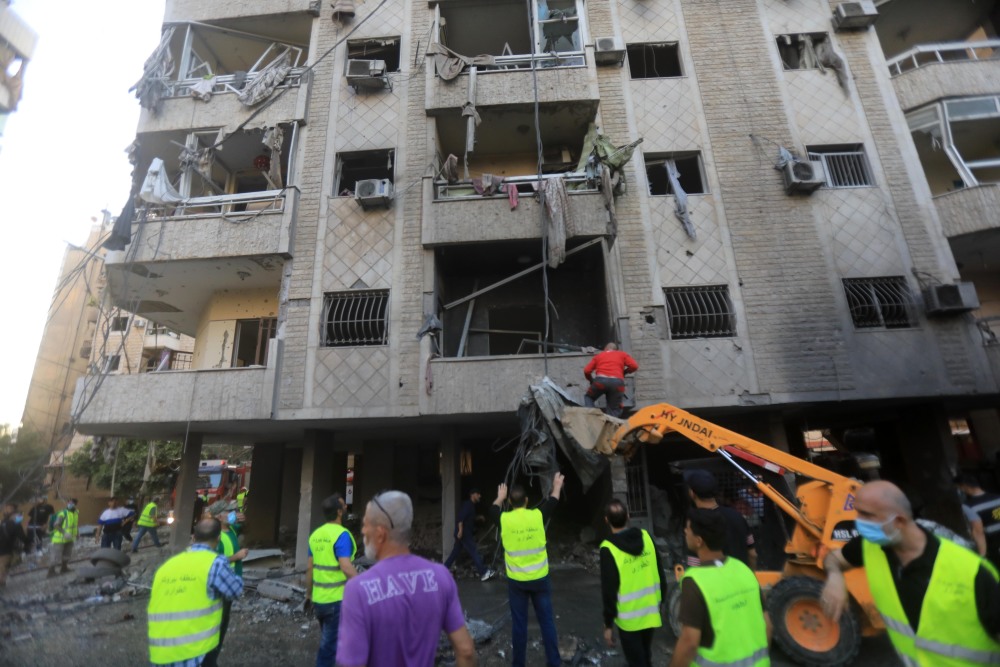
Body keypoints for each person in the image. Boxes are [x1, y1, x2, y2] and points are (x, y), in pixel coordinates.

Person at [821, 480, 1000, 665]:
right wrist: (835, 577)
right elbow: (833, 559)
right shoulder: (869, 546)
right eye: (857, 512)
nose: (858, 521)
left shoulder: (973, 572)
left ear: (898, 521)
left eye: (866, 515)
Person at [336, 490, 476, 667]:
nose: (363, 530)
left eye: (365, 525)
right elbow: (466, 651)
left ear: (380, 533)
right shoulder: (441, 576)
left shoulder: (357, 590)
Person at [670, 508, 771, 667]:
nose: (685, 531)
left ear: (699, 541)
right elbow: (767, 625)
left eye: (688, 529)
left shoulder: (693, 581)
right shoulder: (743, 569)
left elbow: (689, 642)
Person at [490, 473, 565, 667]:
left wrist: (500, 497)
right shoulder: (537, 515)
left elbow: (493, 509)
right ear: (526, 501)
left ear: (510, 502)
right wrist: (557, 485)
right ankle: (554, 662)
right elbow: (553, 500)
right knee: (546, 622)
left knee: (519, 625)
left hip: (517, 582)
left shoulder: (504, 520)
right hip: (540, 579)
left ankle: (518, 664)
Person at [148, 518, 243, 667]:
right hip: (195, 652)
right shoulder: (216, 563)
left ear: (193, 538)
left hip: (161, 652)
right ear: (218, 539)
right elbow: (235, 590)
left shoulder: (167, 566)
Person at [599, 499, 665, 667]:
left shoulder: (608, 548)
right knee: (645, 655)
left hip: (629, 618)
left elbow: (609, 589)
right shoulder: (646, 537)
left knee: (636, 660)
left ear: (606, 520)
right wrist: (661, 601)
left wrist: (608, 624)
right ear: (628, 516)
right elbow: (660, 572)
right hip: (650, 609)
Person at [305, 493, 357, 667]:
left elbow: (310, 569)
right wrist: (364, 585)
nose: (346, 508)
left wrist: (308, 595)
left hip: (319, 600)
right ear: (339, 512)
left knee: (330, 641)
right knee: (329, 648)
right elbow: (346, 566)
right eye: (343, 507)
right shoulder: (341, 535)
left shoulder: (315, 535)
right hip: (336, 601)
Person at [684, 469, 757, 570]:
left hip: (712, 579)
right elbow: (752, 554)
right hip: (741, 576)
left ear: (692, 493)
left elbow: (694, 565)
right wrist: (750, 574)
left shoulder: (695, 522)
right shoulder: (737, 516)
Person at [206, 510, 249, 664]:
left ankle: (212, 658)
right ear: (218, 517)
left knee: (224, 621)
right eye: (227, 513)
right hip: (222, 585)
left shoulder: (231, 529)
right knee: (219, 623)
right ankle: (210, 660)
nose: (231, 515)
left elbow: (243, 526)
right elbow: (215, 561)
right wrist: (237, 556)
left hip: (230, 583)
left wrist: (242, 519)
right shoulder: (218, 538)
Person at [443, 487, 494, 581]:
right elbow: (460, 518)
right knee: (474, 551)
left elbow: (469, 519)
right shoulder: (468, 505)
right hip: (464, 534)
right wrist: (460, 531)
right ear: (472, 495)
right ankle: (483, 573)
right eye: (478, 494)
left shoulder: (471, 506)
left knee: (455, 553)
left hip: (463, 534)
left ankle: (442, 570)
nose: (479, 496)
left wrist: (478, 517)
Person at [956, 472, 1000, 570]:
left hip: (995, 545)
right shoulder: (998, 497)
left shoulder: (969, 506)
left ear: (963, 486)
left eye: (959, 488)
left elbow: (978, 532)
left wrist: (982, 557)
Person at [583, 343, 639, 418]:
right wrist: (624, 372)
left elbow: (586, 371)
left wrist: (591, 380)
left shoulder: (599, 355)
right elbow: (634, 366)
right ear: (616, 350)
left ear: (605, 349)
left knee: (589, 397)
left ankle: (592, 417)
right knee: (613, 410)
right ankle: (611, 423)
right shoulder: (622, 354)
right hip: (617, 383)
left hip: (600, 381)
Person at [48, 498, 79, 578]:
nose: (69, 504)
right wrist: (64, 533)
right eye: (69, 502)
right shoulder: (63, 513)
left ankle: (64, 568)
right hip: (59, 538)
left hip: (70, 538)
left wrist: (77, 533)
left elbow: (75, 525)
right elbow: (56, 525)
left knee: (67, 554)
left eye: (72, 503)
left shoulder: (76, 513)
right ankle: (51, 571)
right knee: (56, 555)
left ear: (75, 504)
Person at [0, 503, 26, 587]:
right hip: (6, 549)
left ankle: (2, 582)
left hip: (8, 549)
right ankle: (2, 582)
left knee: (4, 566)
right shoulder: (7, 522)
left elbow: (21, 536)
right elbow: (22, 537)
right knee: (3, 566)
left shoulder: (10, 522)